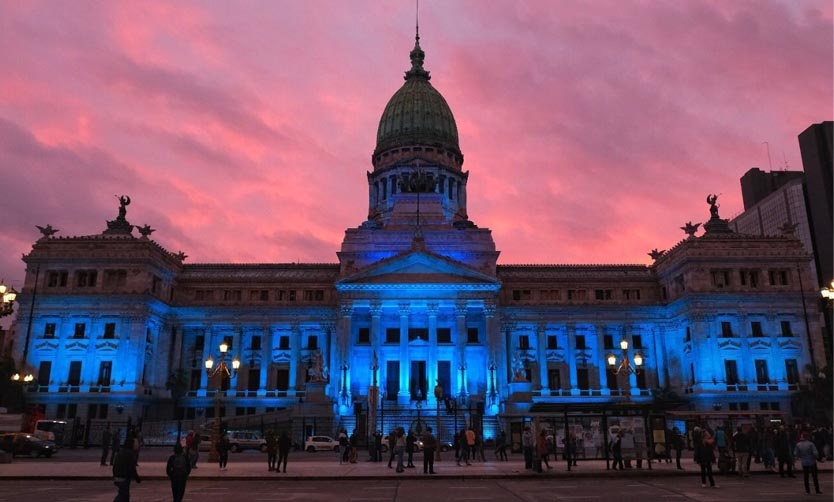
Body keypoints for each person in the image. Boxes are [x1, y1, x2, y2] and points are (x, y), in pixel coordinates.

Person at [112, 437, 141, 501]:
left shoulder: (120, 452)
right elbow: (132, 468)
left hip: (118, 476)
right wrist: (137, 478)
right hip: (124, 477)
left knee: (123, 494)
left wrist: (114, 475)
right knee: (123, 495)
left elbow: (115, 465)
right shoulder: (130, 454)